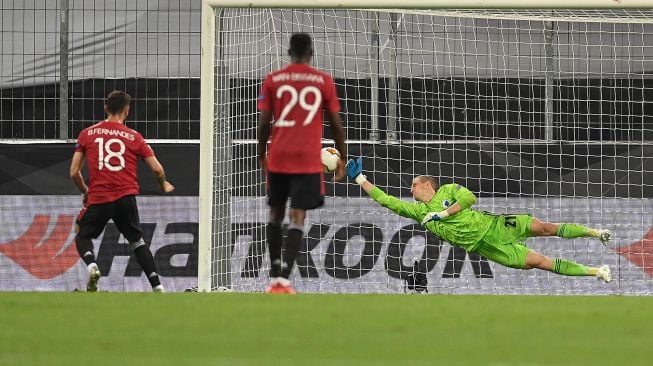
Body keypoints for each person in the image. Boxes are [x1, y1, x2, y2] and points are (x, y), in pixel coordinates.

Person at [344, 157, 613, 284]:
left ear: (427, 185)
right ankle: (596, 271)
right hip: (487, 247)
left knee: (543, 227)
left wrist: (443, 214)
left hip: (494, 224)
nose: (411, 190)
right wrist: (360, 179)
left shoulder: (448, 190)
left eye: (414, 185)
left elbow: (471, 197)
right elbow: (386, 200)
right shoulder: (417, 211)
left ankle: (595, 232)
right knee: (538, 263)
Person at [257, 33, 347, 294]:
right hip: (307, 159)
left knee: (275, 213)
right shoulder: (323, 81)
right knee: (298, 216)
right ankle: (284, 279)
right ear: (312, 52)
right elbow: (336, 124)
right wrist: (341, 156)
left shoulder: (273, 80)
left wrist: (261, 154)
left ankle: (274, 277)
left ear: (289, 52)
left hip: (279, 155)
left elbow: (264, 122)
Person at [69, 90, 175, 292]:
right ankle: (158, 287)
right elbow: (157, 169)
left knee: (81, 234)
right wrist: (163, 184)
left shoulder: (87, 134)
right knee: (137, 241)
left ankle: (92, 266)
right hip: (125, 198)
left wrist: (85, 190)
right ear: (127, 111)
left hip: (98, 197)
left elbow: (74, 172)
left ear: (105, 107)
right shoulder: (134, 137)